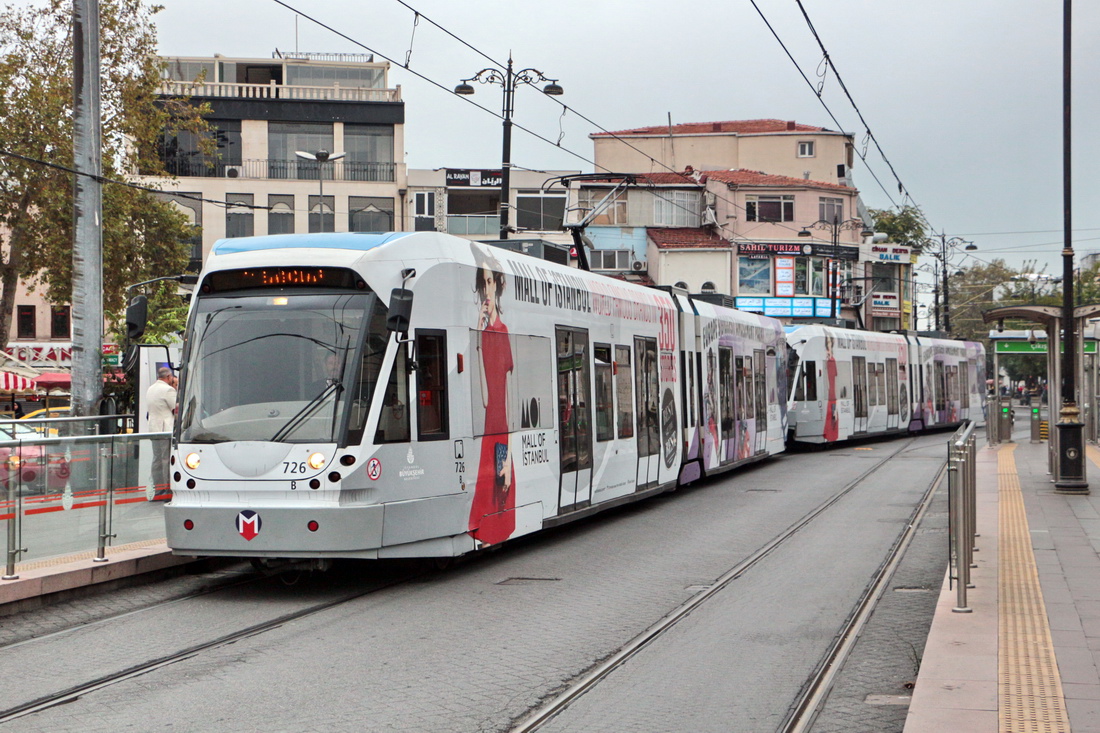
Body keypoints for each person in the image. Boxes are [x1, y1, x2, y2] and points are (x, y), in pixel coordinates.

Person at [467, 244, 516, 545]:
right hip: (490, 428)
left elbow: (506, 397)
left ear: (498, 284)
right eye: (481, 283)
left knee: (500, 494)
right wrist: (476, 335)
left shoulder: (504, 330)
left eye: (488, 281)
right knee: (489, 500)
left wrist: (507, 455)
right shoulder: (484, 334)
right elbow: (484, 397)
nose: (485, 290)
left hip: (502, 431)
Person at [147, 367, 177, 493]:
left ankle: (157, 488)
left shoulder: (151, 389)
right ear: (169, 377)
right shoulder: (168, 389)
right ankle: (167, 488)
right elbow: (176, 409)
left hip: (153, 428)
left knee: (157, 458)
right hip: (165, 428)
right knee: (166, 459)